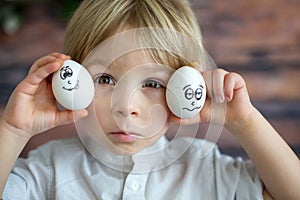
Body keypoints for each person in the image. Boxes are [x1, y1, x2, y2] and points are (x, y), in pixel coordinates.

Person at [0, 0, 299, 199]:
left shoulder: (204, 167)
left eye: (153, 83)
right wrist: (12, 132)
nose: (126, 107)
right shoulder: (49, 169)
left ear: (185, 91)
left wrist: (245, 122)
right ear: (74, 77)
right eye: (105, 79)